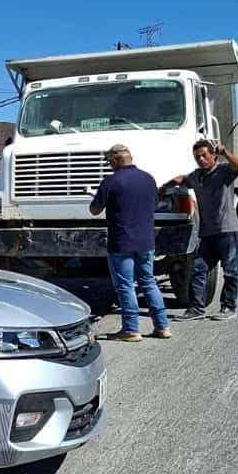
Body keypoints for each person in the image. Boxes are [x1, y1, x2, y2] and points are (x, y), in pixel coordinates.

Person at [89, 144, 171, 342]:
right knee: (149, 282)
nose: (109, 165)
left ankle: (131, 329)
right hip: (146, 241)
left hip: (121, 242)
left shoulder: (111, 181)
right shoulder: (148, 179)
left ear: (116, 160)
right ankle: (162, 326)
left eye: (110, 161)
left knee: (126, 286)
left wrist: (96, 198)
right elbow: (154, 205)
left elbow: (94, 210)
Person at [162, 139, 238, 321]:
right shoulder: (196, 176)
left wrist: (225, 151)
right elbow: (182, 179)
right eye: (197, 157)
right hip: (206, 234)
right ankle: (197, 308)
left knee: (230, 271)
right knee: (198, 269)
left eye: (204, 155)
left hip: (227, 230)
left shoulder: (224, 171)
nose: (201, 159)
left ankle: (229, 307)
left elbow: (237, 164)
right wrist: (164, 187)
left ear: (213, 155)